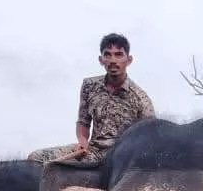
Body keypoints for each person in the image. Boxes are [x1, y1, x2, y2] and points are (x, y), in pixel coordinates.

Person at [27, 32, 155, 165]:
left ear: (128, 60)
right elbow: (83, 121)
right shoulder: (89, 85)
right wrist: (82, 141)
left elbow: (149, 138)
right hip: (91, 150)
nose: (113, 60)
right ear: (101, 60)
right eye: (108, 54)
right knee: (36, 158)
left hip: (120, 158)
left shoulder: (141, 99)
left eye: (118, 54)